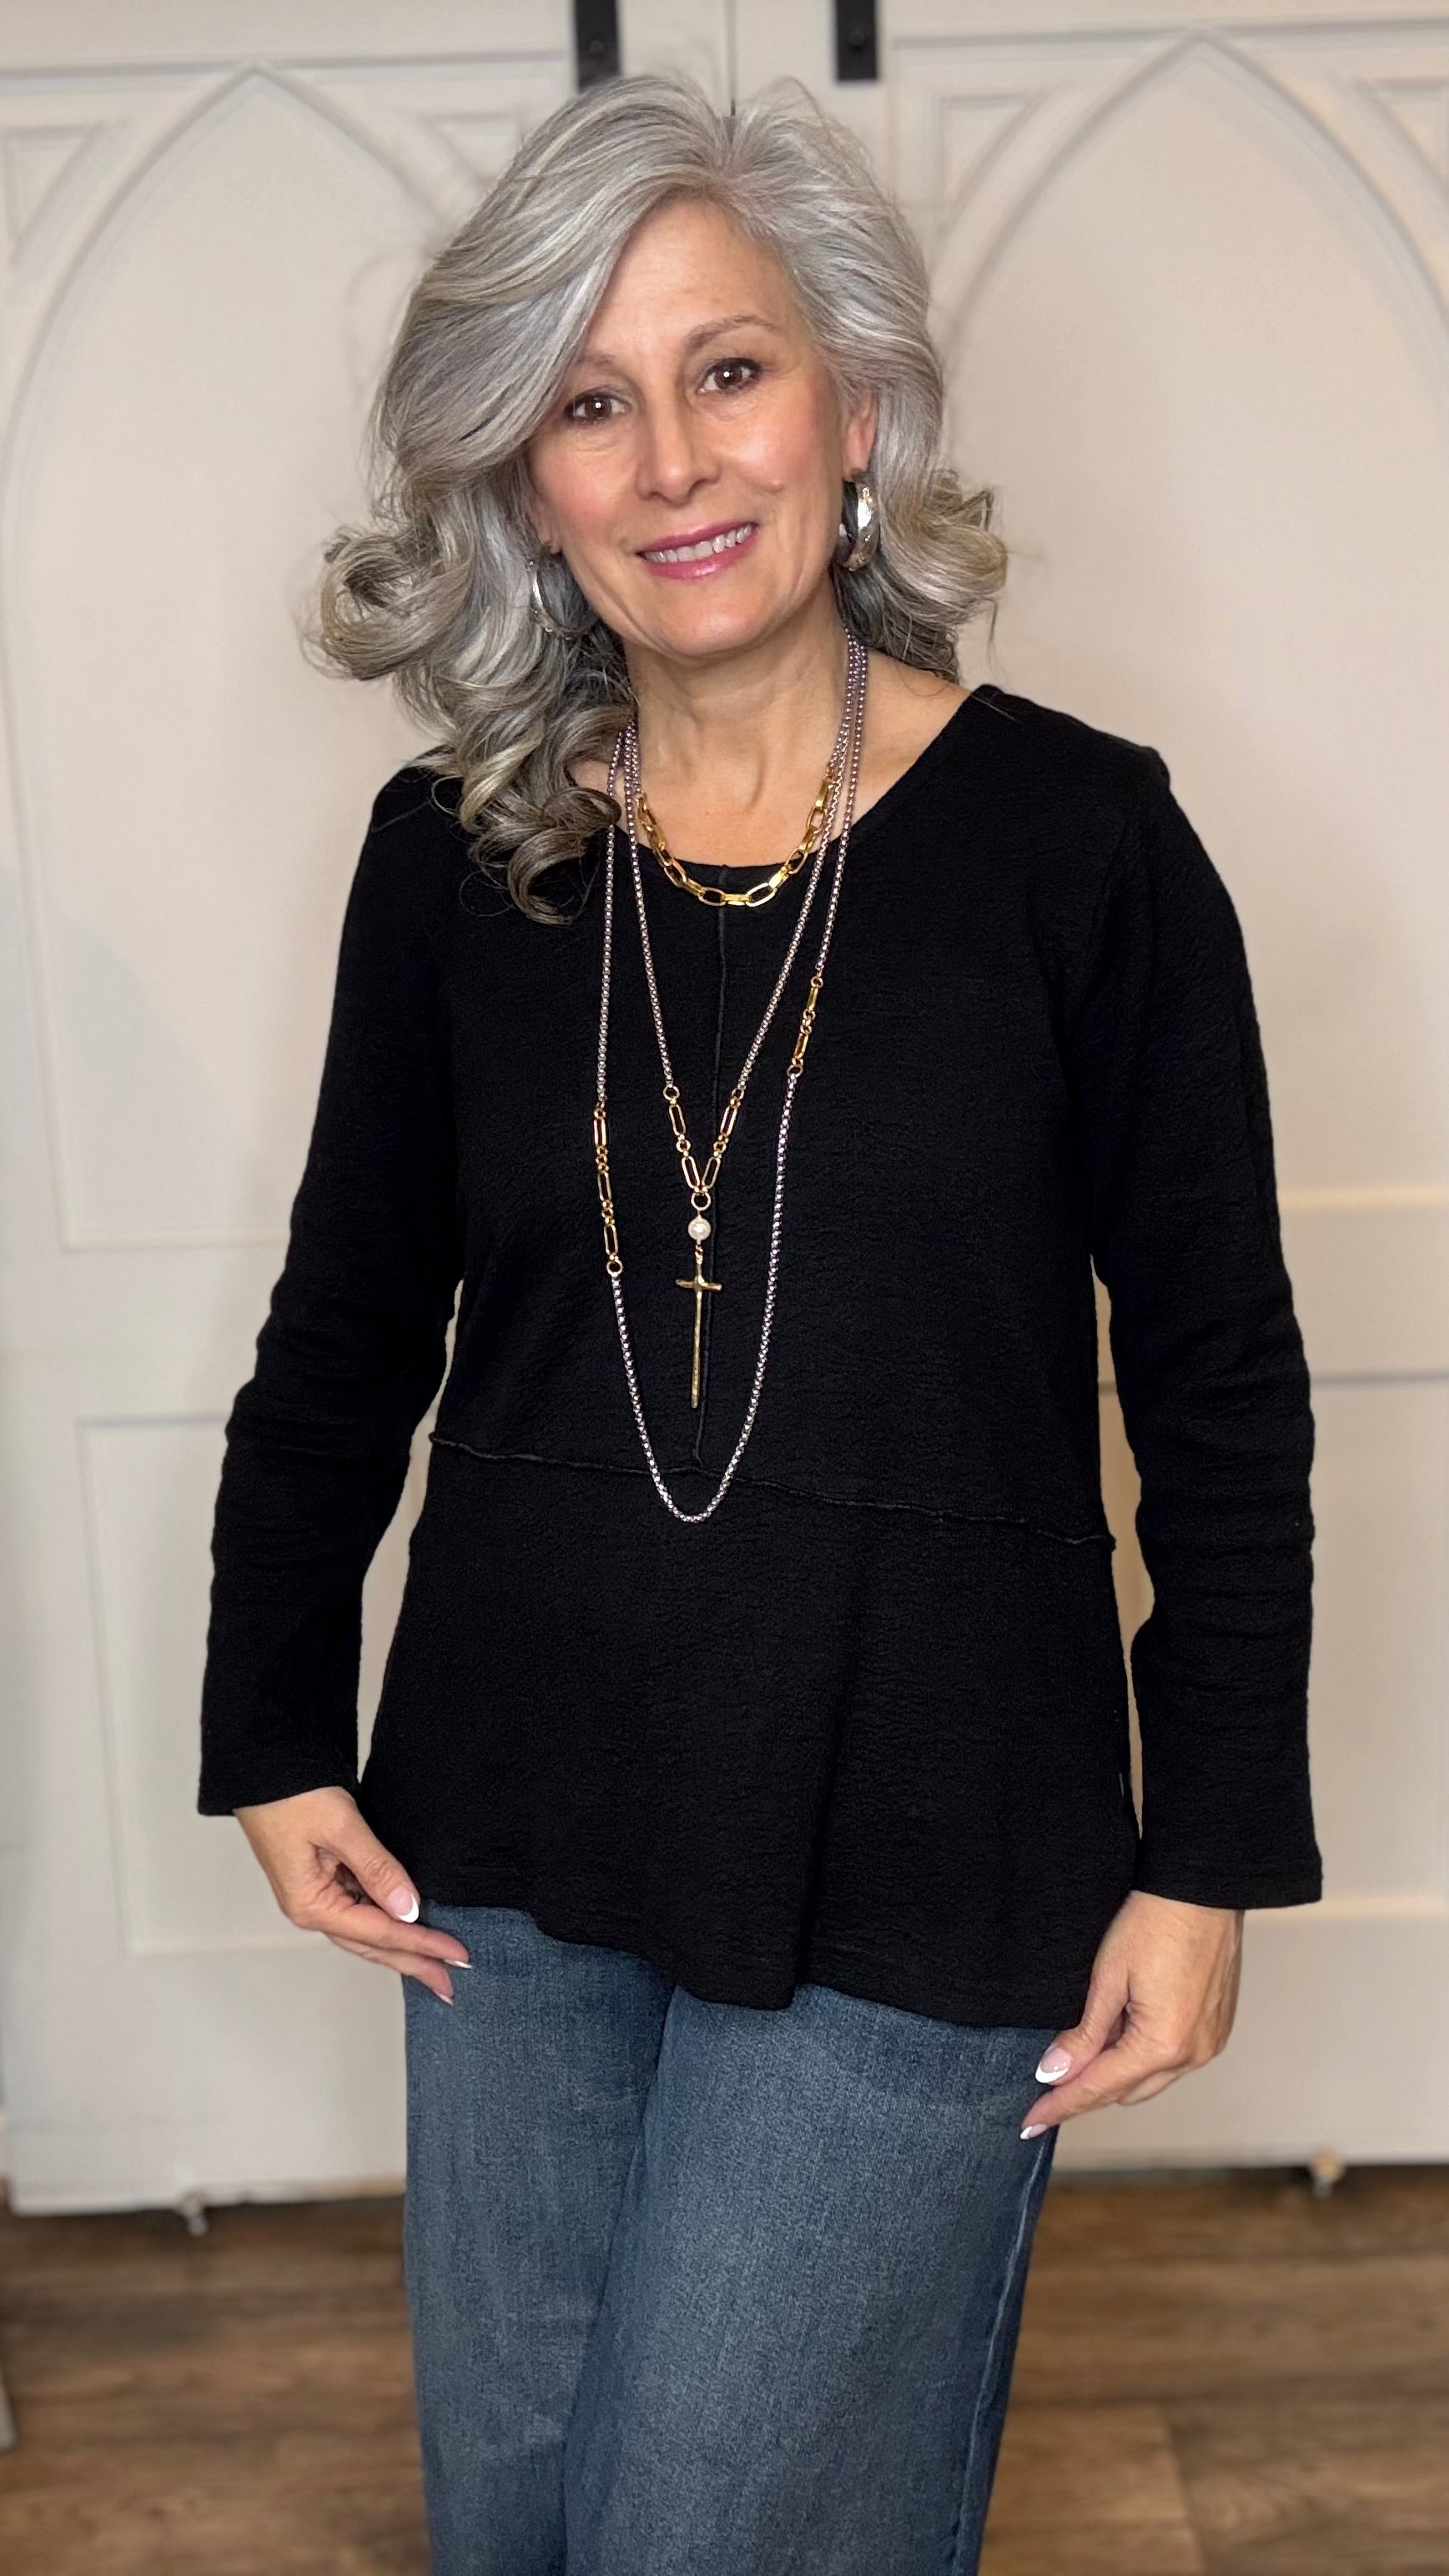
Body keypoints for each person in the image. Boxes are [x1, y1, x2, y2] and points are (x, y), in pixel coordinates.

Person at [197, 68, 1322, 2576]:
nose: (669, 459)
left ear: (854, 412)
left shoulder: (1083, 852)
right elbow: (346, 1319)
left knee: (719, 2534)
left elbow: (1225, 1400)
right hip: (508, 1818)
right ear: (519, 477)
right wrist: (268, 1717)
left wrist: (1207, 1854)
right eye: (585, 402)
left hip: (936, 1831)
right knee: (514, 2522)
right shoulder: (450, 862)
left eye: (724, 369)